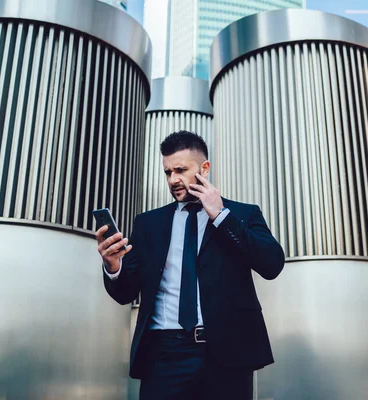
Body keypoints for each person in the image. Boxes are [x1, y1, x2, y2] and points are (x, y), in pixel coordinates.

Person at [96, 130, 285, 399]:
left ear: (204, 168)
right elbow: (126, 292)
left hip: (227, 354)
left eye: (181, 170)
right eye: (167, 172)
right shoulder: (148, 224)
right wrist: (113, 266)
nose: (173, 180)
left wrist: (220, 215)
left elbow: (272, 264)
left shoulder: (242, 214)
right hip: (163, 355)